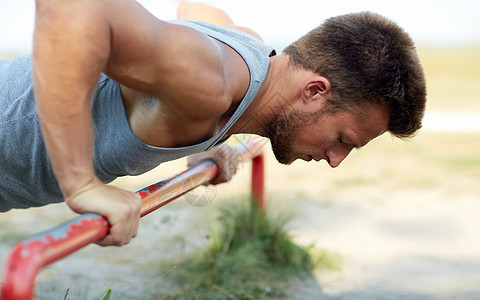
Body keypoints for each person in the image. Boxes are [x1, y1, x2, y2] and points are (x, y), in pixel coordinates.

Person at [0, 1, 426, 247]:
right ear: (314, 91)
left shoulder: (249, 58)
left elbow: (197, 9)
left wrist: (205, 140)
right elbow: (71, 9)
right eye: (342, 140)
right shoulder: (212, 82)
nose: (336, 161)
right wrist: (81, 184)